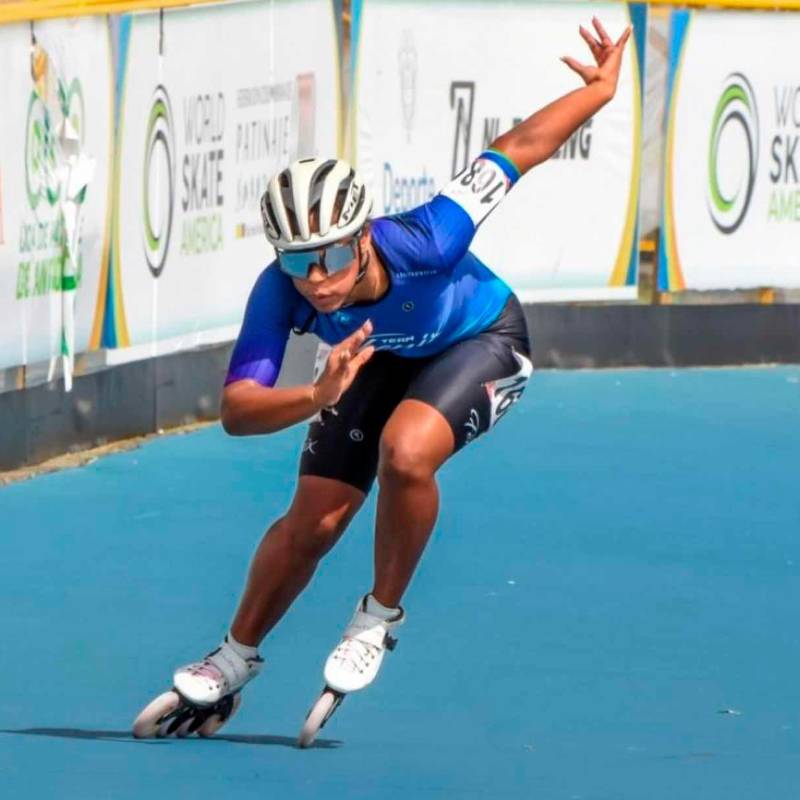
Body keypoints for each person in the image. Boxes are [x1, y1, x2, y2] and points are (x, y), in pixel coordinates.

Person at [133, 18, 631, 740]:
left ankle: (377, 617)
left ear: (363, 236)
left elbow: (521, 146)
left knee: (406, 450)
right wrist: (316, 395)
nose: (317, 279)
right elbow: (237, 411)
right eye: (296, 261)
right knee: (315, 520)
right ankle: (234, 658)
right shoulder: (279, 291)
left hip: (483, 340)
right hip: (376, 361)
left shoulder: (431, 236)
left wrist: (600, 91)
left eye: (332, 256)